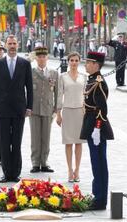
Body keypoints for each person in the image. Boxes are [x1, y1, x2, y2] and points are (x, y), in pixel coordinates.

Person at [0, 35, 33, 183]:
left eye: (14, 43)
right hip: (2, 109)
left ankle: (15, 173)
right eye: (10, 44)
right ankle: (6, 172)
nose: (12, 46)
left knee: (16, 141)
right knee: (4, 141)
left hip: (19, 109)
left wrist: (29, 107)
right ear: (6, 46)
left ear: (18, 45)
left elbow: (29, 87)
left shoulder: (25, 63)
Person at [80, 51, 114, 211]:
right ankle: (97, 195)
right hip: (90, 123)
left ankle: (100, 200)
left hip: (96, 127)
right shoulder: (92, 80)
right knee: (95, 163)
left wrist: (97, 129)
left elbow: (102, 109)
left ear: (95, 64)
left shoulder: (98, 82)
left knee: (99, 163)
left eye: (88, 62)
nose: (86, 64)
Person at [56, 52, 86, 183]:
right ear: (68, 62)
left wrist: (87, 112)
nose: (74, 63)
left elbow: (86, 96)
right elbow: (59, 95)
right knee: (68, 142)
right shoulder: (62, 77)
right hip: (67, 111)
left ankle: (77, 170)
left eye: (76, 60)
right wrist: (58, 113)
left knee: (79, 142)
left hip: (80, 112)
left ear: (79, 62)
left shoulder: (84, 77)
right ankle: (69, 170)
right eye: (71, 60)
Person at [29, 47, 58, 173]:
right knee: (35, 136)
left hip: (48, 108)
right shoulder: (31, 72)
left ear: (47, 58)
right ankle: (35, 162)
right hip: (34, 108)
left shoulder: (53, 73)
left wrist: (56, 108)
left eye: (43, 57)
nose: (41, 59)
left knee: (46, 136)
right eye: (39, 57)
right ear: (36, 58)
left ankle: (44, 162)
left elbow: (57, 92)